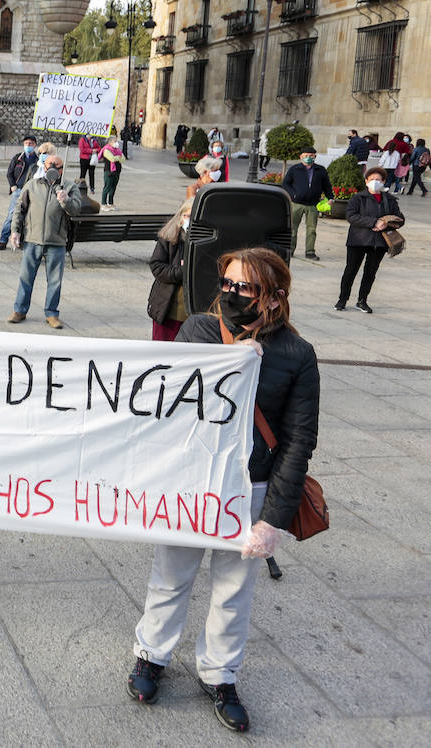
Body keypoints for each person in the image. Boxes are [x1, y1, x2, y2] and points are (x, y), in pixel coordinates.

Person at [128, 247, 318, 734]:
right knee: (171, 577)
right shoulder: (199, 330)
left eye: (246, 288)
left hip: (250, 487)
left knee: (234, 591)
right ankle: (152, 656)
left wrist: (272, 519)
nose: (232, 294)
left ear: (274, 298)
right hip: (193, 482)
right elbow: (167, 401)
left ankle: (221, 674)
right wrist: (227, 365)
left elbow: (298, 443)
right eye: (227, 284)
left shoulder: (297, 355)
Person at [8, 154, 82, 330]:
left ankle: (52, 313)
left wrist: (66, 200)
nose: (54, 168)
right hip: (32, 239)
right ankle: (20, 310)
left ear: (63, 168)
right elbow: (19, 209)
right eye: (50, 164)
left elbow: (76, 211)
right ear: (44, 166)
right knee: (26, 277)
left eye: (58, 165)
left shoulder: (70, 187)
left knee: (55, 280)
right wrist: (15, 231)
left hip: (56, 241)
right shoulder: (32, 185)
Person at [335, 166, 404, 314]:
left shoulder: (390, 200)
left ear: (384, 181)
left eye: (378, 180)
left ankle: (362, 300)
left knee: (370, 272)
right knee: (350, 270)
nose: (375, 182)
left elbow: (400, 219)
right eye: (372, 179)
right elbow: (351, 216)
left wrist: (386, 223)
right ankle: (342, 299)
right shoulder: (358, 198)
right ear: (366, 181)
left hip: (379, 242)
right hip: (358, 240)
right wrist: (374, 222)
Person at [147, 199, 194, 342]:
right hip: (168, 310)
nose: (191, 221)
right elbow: (157, 266)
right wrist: (183, 272)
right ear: (180, 217)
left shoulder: (208, 242)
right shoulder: (168, 238)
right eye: (188, 216)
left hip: (193, 315)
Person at [281, 146, 334, 260]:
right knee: (293, 228)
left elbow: (327, 186)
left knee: (311, 229)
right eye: (306, 156)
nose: (308, 158)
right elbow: (286, 184)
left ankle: (310, 251)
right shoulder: (294, 169)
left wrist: (330, 198)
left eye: (311, 156)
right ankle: (290, 250)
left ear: (315, 156)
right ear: (301, 157)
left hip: (313, 205)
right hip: (296, 204)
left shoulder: (321, 170)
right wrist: (292, 194)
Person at [0, 137, 43, 250]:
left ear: (35, 145)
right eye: (26, 143)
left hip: (31, 191)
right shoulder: (18, 158)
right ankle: (3, 240)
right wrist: (13, 185)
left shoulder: (38, 160)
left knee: (27, 216)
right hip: (18, 190)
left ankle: (21, 240)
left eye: (31, 143)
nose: (28, 145)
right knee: (12, 215)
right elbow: (9, 173)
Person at [100, 134, 125, 211]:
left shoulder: (117, 150)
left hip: (117, 171)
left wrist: (118, 158)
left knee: (113, 188)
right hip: (109, 171)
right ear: (110, 142)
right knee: (107, 187)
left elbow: (123, 159)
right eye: (115, 141)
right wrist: (118, 158)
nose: (116, 143)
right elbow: (112, 159)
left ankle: (110, 203)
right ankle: (103, 204)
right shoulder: (106, 150)